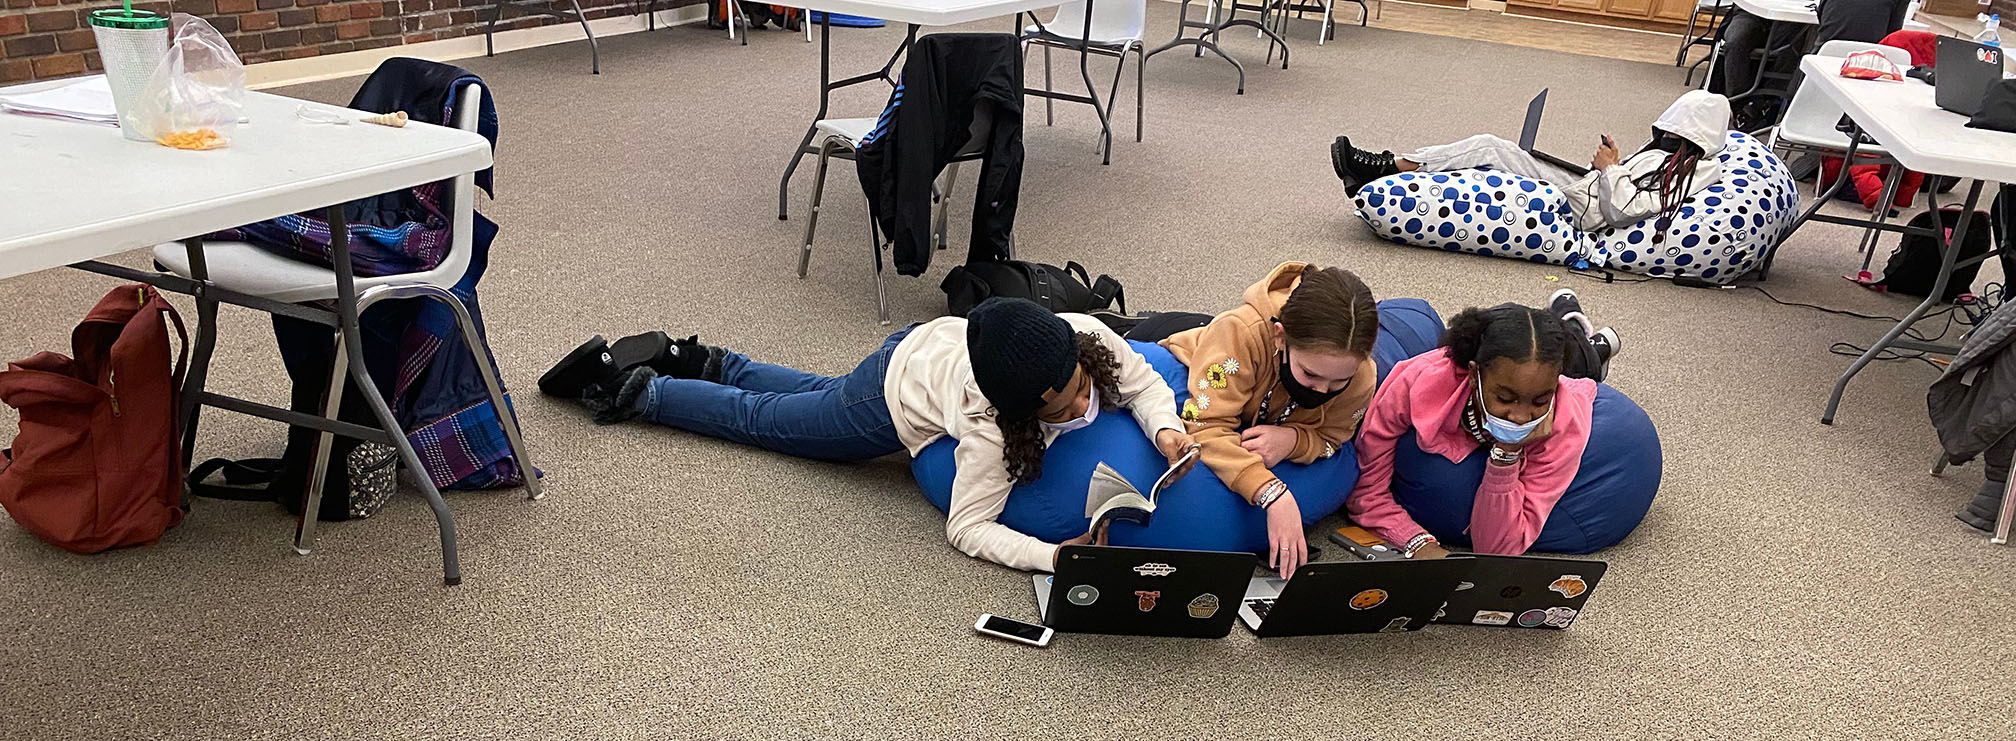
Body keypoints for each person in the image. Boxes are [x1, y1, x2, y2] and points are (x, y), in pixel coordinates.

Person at [538, 297, 1198, 573]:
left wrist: (1167, 431)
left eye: (1082, 383)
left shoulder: (1083, 334)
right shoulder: (989, 424)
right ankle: (639, 391)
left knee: (815, 394)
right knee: (772, 423)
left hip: (931, 345)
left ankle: (704, 359)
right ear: (1021, 412)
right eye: (1063, 404)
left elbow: (1140, 381)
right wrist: (1054, 557)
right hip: (897, 390)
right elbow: (967, 527)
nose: (1085, 401)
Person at [1137, 263, 1382, 578]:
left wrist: (1295, 440)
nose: (1322, 390)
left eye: (1338, 381)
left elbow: (1334, 438)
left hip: (1261, 412)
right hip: (1193, 372)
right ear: (1280, 337)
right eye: (1310, 373)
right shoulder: (1241, 331)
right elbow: (1205, 425)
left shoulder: (1362, 376)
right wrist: (1270, 492)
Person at [1345, 289, 1619, 557]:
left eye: (1539, 401)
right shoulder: (1415, 381)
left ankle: (1589, 346)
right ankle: (1580, 333)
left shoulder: (1565, 417)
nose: (1521, 416)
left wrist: (1506, 455)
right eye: (1505, 397)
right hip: (1465, 366)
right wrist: (1416, 543)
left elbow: (1496, 549)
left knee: (1581, 365)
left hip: (1569, 375)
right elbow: (1365, 494)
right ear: (1474, 374)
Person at [1331, 90, 1732, 236]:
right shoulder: (1678, 155)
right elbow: (1637, 185)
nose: (1666, 137)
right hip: (1586, 185)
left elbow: (1624, 209)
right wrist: (1616, 164)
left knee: (1489, 150)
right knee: (1496, 151)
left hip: (1580, 208)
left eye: (1674, 132)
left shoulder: (1696, 169)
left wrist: (1612, 169)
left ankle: (1385, 167)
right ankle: (1388, 166)